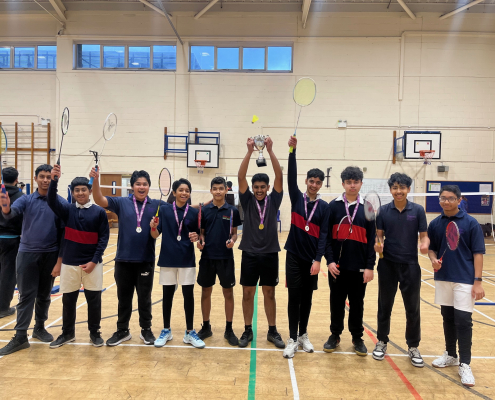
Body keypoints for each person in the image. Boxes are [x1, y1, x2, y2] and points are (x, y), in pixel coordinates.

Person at [90, 167, 160, 346]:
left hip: (145, 260)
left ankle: (146, 329)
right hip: (123, 260)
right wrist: (95, 180)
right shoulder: (121, 202)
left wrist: (205, 204)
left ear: (149, 186)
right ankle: (123, 330)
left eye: (145, 184)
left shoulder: (156, 205)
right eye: (138, 184)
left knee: (145, 298)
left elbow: (180, 209)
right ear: (132, 186)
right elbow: (99, 199)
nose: (141, 187)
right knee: (124, 298)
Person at [0, 164, 64, 356]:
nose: (45, 180)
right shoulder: (26, 199)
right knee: (26, 296)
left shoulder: (60, 203)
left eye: (48, 177)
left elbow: (64, 234)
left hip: (50, 255)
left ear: (53, 179)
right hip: (27, 254)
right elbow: (11, 214)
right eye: (42, 176)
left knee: (44, 295)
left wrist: (59, 261)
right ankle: (20, 336)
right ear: (35, 179)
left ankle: (39, 328)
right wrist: (5, 207)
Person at [428, 185, 485, 387]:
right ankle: (451, 355)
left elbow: (478, 253)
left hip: (465, 278)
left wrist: (478, 281)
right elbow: (432, 249)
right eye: (443, 198)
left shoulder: (471, 223)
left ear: (459, 200)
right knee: (448, 318)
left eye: (451, 198)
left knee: (463, 321)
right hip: (443, 277)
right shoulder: (435, 223)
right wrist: (433, 260)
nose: (446, 201)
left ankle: (465, 363)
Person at [47, 165, 110, 348]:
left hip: (92, 264)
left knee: (94, 301)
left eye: (83, 189)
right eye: (77, 190)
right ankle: (68, 333)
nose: (80, 193)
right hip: (69, 264)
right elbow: (51, 200)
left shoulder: (99, 212)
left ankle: (95, 333)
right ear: (72, 193)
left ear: (89, 191)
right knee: (68, 300)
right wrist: (54, 180)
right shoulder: (67, 210)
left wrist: (94, 261)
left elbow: (103, 239)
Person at [372, 173, 429, 367]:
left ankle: (413, 346)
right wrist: (378, 244)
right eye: (395, 188)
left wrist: (424, 244)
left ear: (408, 189)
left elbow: (424, 235)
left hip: (410, 265)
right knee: (384, 306)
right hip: (387, 264)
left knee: (412, 308)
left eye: (402, 187)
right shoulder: (383, 211)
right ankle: (381, 341)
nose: (399, 191)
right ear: (390, 190)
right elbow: (379, 236)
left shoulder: (418, 210)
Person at [283, 136, 329, 359]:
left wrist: (318, 259)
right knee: (294, 297)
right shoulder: (296, 198)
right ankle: (292, 338)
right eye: (311, 181)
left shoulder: (324, 207)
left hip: (311, 260)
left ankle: (303, 334)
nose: (314, 185)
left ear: (321, 185)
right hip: (293, 256)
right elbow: (290, 176)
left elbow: (324, 236)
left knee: (307, 298)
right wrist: (292, 151)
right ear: (306, 181)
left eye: (318, 182)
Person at [237, 137, 284, 349]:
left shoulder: (274, 200)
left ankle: (272, 331)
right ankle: (248, 330)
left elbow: (279, 176)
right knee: (248, 293)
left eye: (262, 187)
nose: (258, 190)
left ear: (267, 187)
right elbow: (240, 176)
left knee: (269, 293)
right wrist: (249, 152)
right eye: (256, 187)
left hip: (270, 253)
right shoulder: (247, 200)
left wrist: (270, 151)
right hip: (249, 253)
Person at [324, 166, 375, 356]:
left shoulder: (368, 207)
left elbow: (373, 240)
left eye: (356, 182)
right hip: (337, 267)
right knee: (336, 303)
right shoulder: (333, 206)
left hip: (359, 267)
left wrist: (370, 266)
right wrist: (330, 261)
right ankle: (335, 335)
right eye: (349, 182)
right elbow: (326, 238)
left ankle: (357, 337)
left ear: (361, 183)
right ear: (343, 184)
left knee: (357, 304)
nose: (352, 185)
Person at [150, 178, 205, 349]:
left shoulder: (194, 213)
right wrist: (153, 227)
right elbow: (154, 235)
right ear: (174, 193)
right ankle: (166, 330)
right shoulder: (164, 210)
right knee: (167, 295)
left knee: (188, 295)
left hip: (187, 259)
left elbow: (199, 236)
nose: (184, 193)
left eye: (187, 190)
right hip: (168, 259)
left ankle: (189, 332)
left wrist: (197, 237)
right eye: (181, 190)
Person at [196, 177, 242, 346]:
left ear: (226, 190)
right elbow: (202, 233)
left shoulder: (232, 211)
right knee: (205, 292)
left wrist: (233, 241)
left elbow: (234, 233)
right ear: (211, 190)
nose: (218, 191)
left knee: (228, 293)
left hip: (225, 258)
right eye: (215, 188)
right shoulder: (204, 210)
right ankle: (206, 327)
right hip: (207, 257)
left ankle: (229, 329)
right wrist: (200, 241)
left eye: (221, 188)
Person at [0, 167, 24, 318]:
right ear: (16, 180)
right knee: (8, 275)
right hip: (11, 239)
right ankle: (3, 308)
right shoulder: (21, 197)